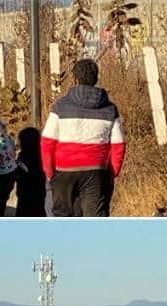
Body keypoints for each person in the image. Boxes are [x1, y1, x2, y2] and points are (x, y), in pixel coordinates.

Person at [41, 59, 126, 217]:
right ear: (96, 78)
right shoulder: (110, 109)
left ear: (75, 79)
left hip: (63, 170)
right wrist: (111, 174)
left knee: (63, 218)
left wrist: (50, 173)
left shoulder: (60, 106)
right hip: (96, 171)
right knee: (94, 220)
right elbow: (118, 145)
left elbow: (47, 142)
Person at [15, 127, 47, 217]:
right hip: (39, 195)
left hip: (25, 197)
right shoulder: (42, 156)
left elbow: (19, 175)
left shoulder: (23, 157)